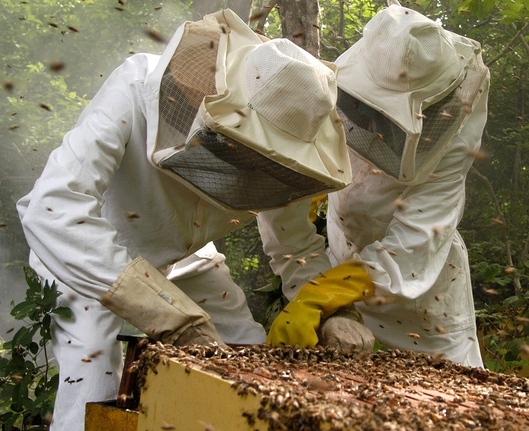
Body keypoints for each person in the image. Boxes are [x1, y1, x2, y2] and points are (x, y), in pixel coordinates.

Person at [16, 9, 351, 430]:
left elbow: (296, 247)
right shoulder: (136, 87)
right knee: (93, 376)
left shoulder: (284, 152)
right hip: (86, 255)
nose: (247, 164)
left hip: (185, 260)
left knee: (246, 359)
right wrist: (168, 315)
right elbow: (53, 208)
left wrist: (334, 310)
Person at [258, 3, 490, 367]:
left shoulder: (453, 142)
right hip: (337, 268)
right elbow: (282, 218)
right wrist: (316, 293)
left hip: (426, 307)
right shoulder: (322, 98)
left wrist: (325, 294)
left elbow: (414, 243)